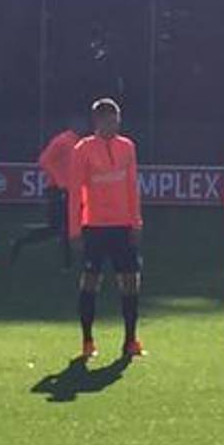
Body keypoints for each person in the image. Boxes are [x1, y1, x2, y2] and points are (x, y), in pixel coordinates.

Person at [68, 98, 144, 359]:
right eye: (109, 120)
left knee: (131, 281)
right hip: (95, 227)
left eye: (117, 119)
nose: (115, 124)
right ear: (97, 121)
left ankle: (130, 340)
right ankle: (87, 340)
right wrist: (74, 229)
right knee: (90, 282)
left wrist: (136, 222)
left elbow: (132, 187)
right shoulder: (83, 149)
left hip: (123, 226)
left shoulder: (127, 147)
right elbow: (75, 192)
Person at [10, 116, 83, 267]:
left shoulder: (77, 142)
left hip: (68, 189)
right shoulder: (62, 140)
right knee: (58, 227)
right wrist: (59, 181)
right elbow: (44, 160)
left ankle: (68, 262)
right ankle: (21, 242)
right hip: (57, 190)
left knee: (66, 226)